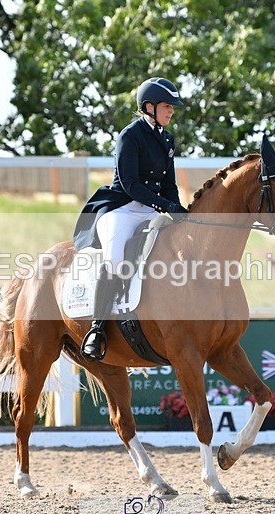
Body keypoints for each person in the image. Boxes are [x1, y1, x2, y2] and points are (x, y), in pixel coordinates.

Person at [72, 77, 189, 360]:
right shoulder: (130, 135)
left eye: (172, 107)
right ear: (148, 107)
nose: (171, 111)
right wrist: (164, 205)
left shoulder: (167, 138)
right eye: (166, 106)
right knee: (113, 258)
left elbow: (169, 183)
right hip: (123, 208)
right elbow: (130, 183)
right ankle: (97, 329)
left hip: (151, 208)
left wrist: (179, 208)